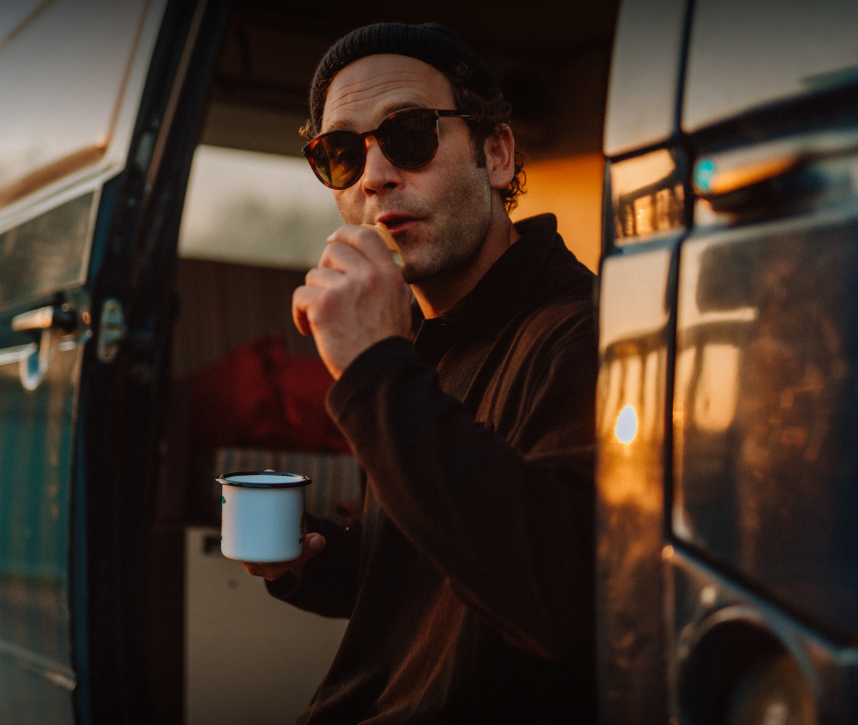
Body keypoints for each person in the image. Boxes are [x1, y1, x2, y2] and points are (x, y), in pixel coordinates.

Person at [241, 21, 598, 723]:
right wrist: (316, 559)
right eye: (340, 154)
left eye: (410, 134)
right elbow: (437, 576)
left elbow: (564, 599)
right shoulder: (424, 344)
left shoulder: (582, 334)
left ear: (495, 155)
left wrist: (373, 368)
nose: (375, 177)